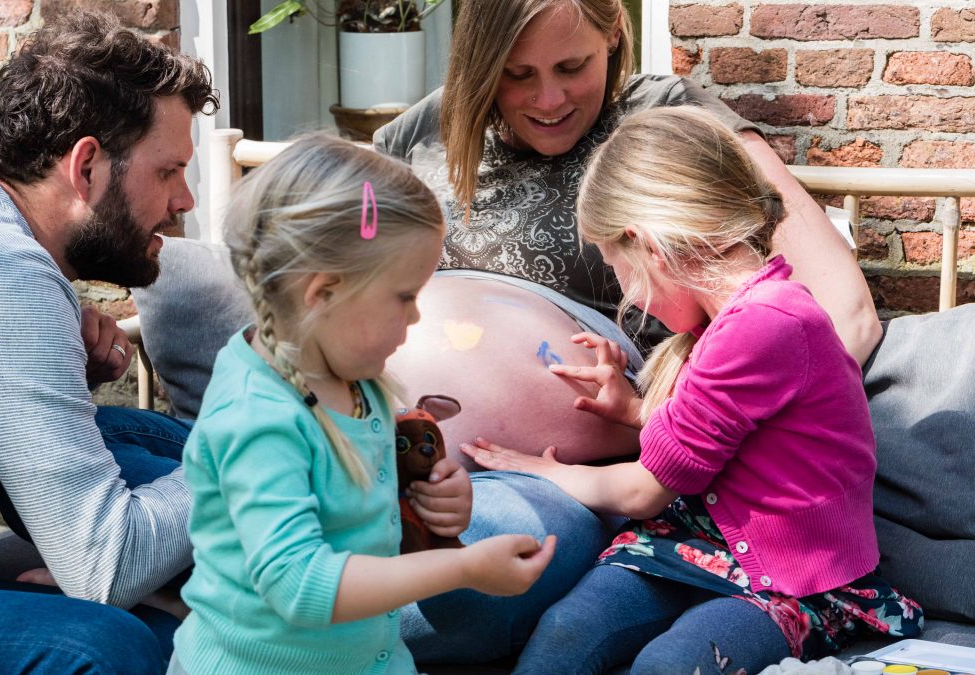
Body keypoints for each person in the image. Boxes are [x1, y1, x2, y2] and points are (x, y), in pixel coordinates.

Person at [371, 0, 882, 664]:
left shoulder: (665, 127)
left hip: (572, 480)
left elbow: (840, 316)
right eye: (515, 73)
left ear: (615, 33)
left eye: (572, 65)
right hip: (399, 440)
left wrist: (756, 445)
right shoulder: (423, 131)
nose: (548, 97)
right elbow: (343, 261)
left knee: (439, 570)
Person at [463, 106, 923, 674]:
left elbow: (642, 494)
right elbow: (726, 436)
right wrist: (635, 411)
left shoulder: (766, 324)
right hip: (692, 548)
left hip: (790, 578)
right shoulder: (724, 322)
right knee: (567, 631)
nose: (629, 294)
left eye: (619, 270)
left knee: (673, 664)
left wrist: (546, 471)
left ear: (649, 246)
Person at [0, 11, 218, 672]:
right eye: (168, 172)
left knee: (123, 430)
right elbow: (104, 568)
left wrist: (63, 368)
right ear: (87, 166)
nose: (185, 199)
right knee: (106, 644)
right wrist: (247, 469)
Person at [168, 134, 555, 675]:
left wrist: (438, 506)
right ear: (323, 292)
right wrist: (462, 568)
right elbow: (300, 586)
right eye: (404, 296)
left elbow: (359, 504)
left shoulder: (355, 381)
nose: (416, 317)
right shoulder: (257, 418)